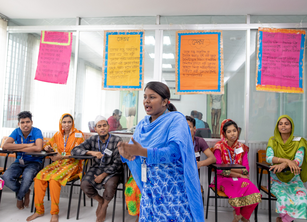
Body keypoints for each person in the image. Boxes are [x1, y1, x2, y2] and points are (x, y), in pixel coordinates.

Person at [119, 81, 204, 222]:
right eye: (145, 97)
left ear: (165, 101)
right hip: (150, 189)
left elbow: (175, 152)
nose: (146, 100)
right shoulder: (142, 125)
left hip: (172, 190)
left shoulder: (176, 119)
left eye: (152, 97)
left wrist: (142, 151)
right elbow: (132, 152)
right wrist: (124, 152)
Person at [26, 113, 84, 222]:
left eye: (69, 122)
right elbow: (48, 145)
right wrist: (47, 147)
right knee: (39, 177)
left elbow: (78, 153)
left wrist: (61, 157)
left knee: (54, 179)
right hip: (58, 163)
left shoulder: (78, 135)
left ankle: (54, 212)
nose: (67, 124)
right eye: (64, 122)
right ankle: (39, 210)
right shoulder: (57, 135)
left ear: (73, 123)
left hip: (72, 164)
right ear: (61, 123)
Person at [71, 115, 123, 222]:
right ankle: (100, 201)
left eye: (104, 125)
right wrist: (91, 152)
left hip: (113, 171)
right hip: (97, 168)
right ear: (95, 129)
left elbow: (118, 162)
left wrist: (103, 175)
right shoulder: (92, 139)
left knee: (110, 185)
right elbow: (74, 151)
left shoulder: (117, 140)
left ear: (108, 127)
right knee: (84, 184)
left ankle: (104, 206)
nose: (102, 128)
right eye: (99, 126)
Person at [211, 119, 261, 222]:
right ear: (224, 133)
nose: (232, 133)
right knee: (236, 193)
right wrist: (239, 173)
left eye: (234, 130)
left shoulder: (242, 147)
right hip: (223, 179)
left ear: (238, 131)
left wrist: (233, 171)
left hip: (240, 178)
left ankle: (242, 215)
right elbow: (219, 170)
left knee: (256, 194)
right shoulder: (218, 147)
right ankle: (238, 214)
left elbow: (246, 169)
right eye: (229, 131)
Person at [266, 115, 307, 222]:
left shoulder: (299, 141)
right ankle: (284, 219)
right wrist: (288, 161)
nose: (283, 126)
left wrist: (283, 164)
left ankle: (283, 220)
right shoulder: (273, 140)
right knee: (283, 199)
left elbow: (299, 161)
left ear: (291, 126)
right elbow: (269, 158)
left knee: (303, 201)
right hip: (276, 180)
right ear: (277, 126)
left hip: (294, 180)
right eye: (281, 124)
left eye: (286, 123)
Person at [2, 111, 43, 210]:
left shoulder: (37, 131)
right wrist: (28, 146)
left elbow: (38, 148)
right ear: (18, 124)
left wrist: (15, 148)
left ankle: (20, 197)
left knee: (27, 177)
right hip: (19, 161)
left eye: (27, 122)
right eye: (23, 122)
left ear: (31, 122)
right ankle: (25, 191)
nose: (25, 125)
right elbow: (5, 146)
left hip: (34, 162)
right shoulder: (16, 131)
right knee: (5, 178)